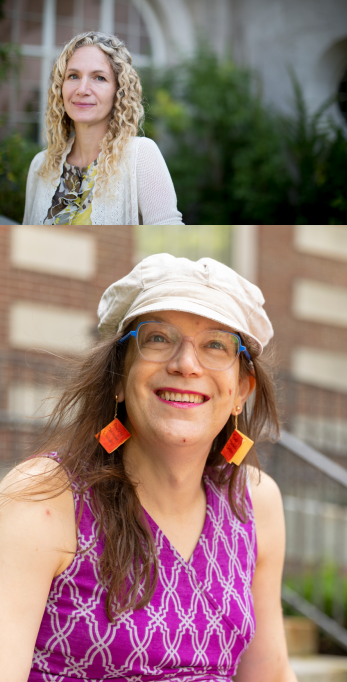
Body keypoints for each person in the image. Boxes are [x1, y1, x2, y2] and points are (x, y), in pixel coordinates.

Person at [0, 254, 296, 681]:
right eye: (158, 338)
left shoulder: (255, 500)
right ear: (119, 376)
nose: (186, 364)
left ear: (241, 392)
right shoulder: (44, 498)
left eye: (216, 344)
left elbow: (270, 673)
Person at [22, 31, 183, 225]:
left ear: (119, 91)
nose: (82, 89)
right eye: (73, 76)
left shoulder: (140, 156)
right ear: (60, 87)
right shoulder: (40, 166)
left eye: (99, 78)